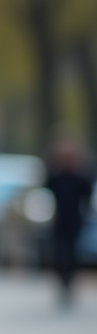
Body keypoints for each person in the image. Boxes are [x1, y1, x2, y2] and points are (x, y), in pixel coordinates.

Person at [44, 131, 94, 308]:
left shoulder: (81, 178)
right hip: (57, 221)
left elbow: (87, 198)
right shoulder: (54, 177)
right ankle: (61, 283)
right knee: (59, 254)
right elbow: (45, 196)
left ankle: (70, 284)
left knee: (72, 254)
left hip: (75, 221)